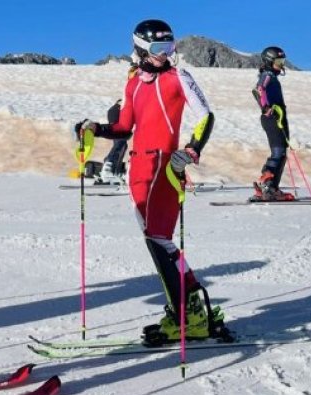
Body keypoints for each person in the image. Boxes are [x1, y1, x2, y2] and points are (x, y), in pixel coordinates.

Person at [74, 19, 229, 344]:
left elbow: (206, 116)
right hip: (139, 169)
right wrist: (94, 128)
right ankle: (187, 310)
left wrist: (190, 151)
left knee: (160, 239)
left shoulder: (177, 77)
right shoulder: (133, 84)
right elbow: (124, 128)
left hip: (165, 166)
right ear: (142, 48)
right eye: (160, 49)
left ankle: (188, 314)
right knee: (155, 241)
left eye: (171, 48)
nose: (166, 55)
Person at [252, 46, 294, 201]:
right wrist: (265, 108)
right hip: (272, 119)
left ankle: (270, 187)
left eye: (282, 60)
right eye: (278, 61)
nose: (281, 64)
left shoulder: (271, 75)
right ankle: (268, 186)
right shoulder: (267, 74)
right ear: (270, 61)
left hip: (277, 118)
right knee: (279, 153)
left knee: (281, 153)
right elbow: (258, 89)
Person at [97, 98, 130, 185]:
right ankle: (108, 168)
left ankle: (112, 168)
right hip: (119, 111)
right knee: (121, 141)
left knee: (121, 143)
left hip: (115, 111)